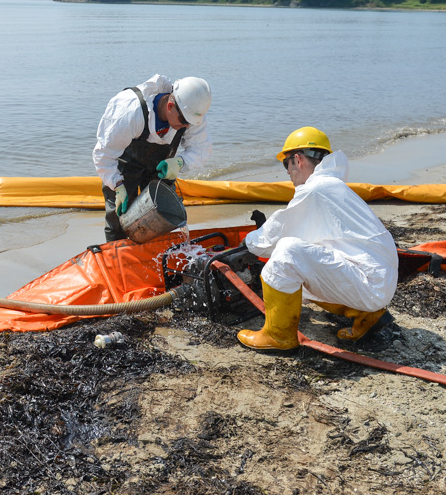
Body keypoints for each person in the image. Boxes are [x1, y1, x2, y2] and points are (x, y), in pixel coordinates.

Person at [237, 126, 398, 352]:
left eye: (286, 164)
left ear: (298, 159)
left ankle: (278, 335)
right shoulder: (333, 186)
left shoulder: (315, 189)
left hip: (370, 284)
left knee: (287, 253)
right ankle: (367, 315)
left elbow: (274, 235)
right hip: (377, 280)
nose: (287, 172)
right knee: (305, 261)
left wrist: (247, 242)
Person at [93, 75, 213, 242]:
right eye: (184, 122)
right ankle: (119, 257)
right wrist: (118, 186)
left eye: (191, 123)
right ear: (170, 106)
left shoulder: (191, 113)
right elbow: (104, 155)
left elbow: (202, 149)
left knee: (163, 216)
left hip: (161, 165)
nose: (187, 127)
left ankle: (154, 255)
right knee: (119, 217)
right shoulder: (129, 111)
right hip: (125, 163)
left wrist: (179, 162)